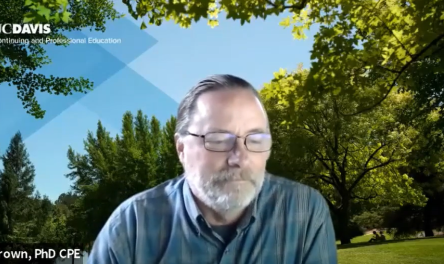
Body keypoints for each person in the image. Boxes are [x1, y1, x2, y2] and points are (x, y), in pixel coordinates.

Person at [89, 75, 337, 264]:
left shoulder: (304, 210)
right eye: (218, 140)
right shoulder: (131, 225)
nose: (239, 157)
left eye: (256, 139)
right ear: (181, 149)